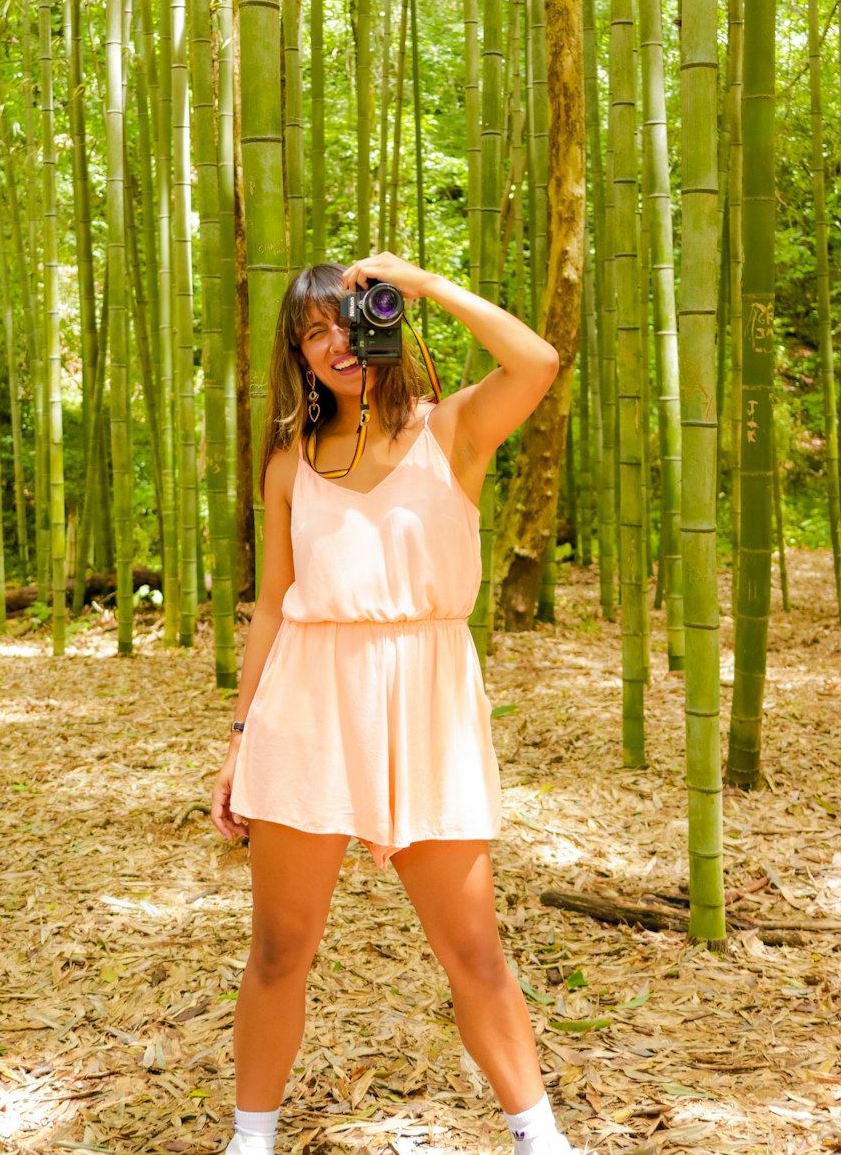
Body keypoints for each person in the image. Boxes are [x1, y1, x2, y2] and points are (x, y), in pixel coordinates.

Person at [210, 254, 580, 1155]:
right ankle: (249, 1141)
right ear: (298, 355)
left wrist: (431, 288)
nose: (337, 342)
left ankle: (540, 1138)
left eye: (351, 318)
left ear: (384, 320)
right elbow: (271, 605)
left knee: (475, 950)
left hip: (429, 708)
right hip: (308, 705)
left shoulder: (448, 430)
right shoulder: (289, 466)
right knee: (277, 949)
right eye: (314, 331)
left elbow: (538, 363)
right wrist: (237, 736)